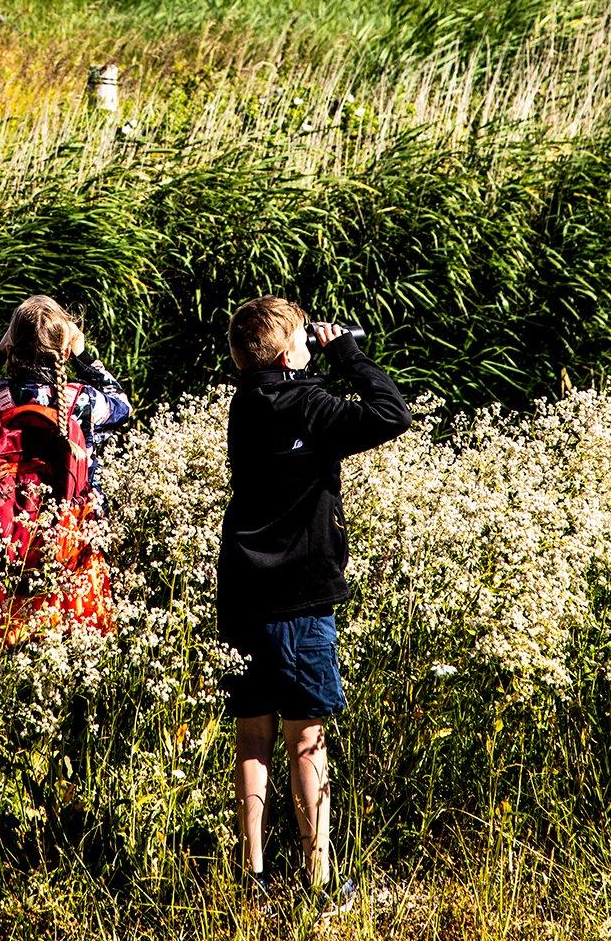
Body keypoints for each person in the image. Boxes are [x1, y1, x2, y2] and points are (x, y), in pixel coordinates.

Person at [217, 295, 411, 914]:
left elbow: (289, 396)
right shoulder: (304, 403)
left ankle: (251, 876)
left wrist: (305, 360)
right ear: (284, 349)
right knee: (307, 737)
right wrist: (347, 352)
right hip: (300, 597)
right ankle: (320, 883)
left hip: (242, 592)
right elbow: (391, 414)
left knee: (254, 735)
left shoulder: (247, 402)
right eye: (301, 335)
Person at [0, 293, 131, 643]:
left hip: (11, 537)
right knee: (78, 638)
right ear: (63, 351)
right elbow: (122, 404)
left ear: (12, 348)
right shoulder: (83, 401)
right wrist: (82, 355)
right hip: (73, 537)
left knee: (11, 638)